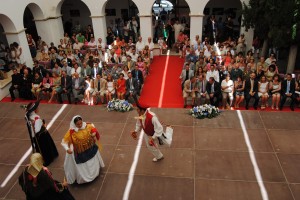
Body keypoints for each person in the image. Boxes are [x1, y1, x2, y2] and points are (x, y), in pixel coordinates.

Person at [61, 115, 105, 184]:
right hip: (79, 151)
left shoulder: (87, 126)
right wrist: (67, 149)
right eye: (78, 124)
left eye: (81, 123)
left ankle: (94, 172)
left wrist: (94, 133)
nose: (80, 125)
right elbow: (64, 141)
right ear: (74, 124)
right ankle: (84, 178)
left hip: (90, 147)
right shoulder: (71, 132)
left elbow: (93, 128)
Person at [25, 101, 58, 166]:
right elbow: (37, 130)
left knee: (39, 148)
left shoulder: (29, 117)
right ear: (34, 110)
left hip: (35, 137)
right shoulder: (36, 118)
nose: (38, 108)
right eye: (37, 108)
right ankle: (47, 159)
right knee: (45, 148)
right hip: (42, 136)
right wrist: (44, 125)